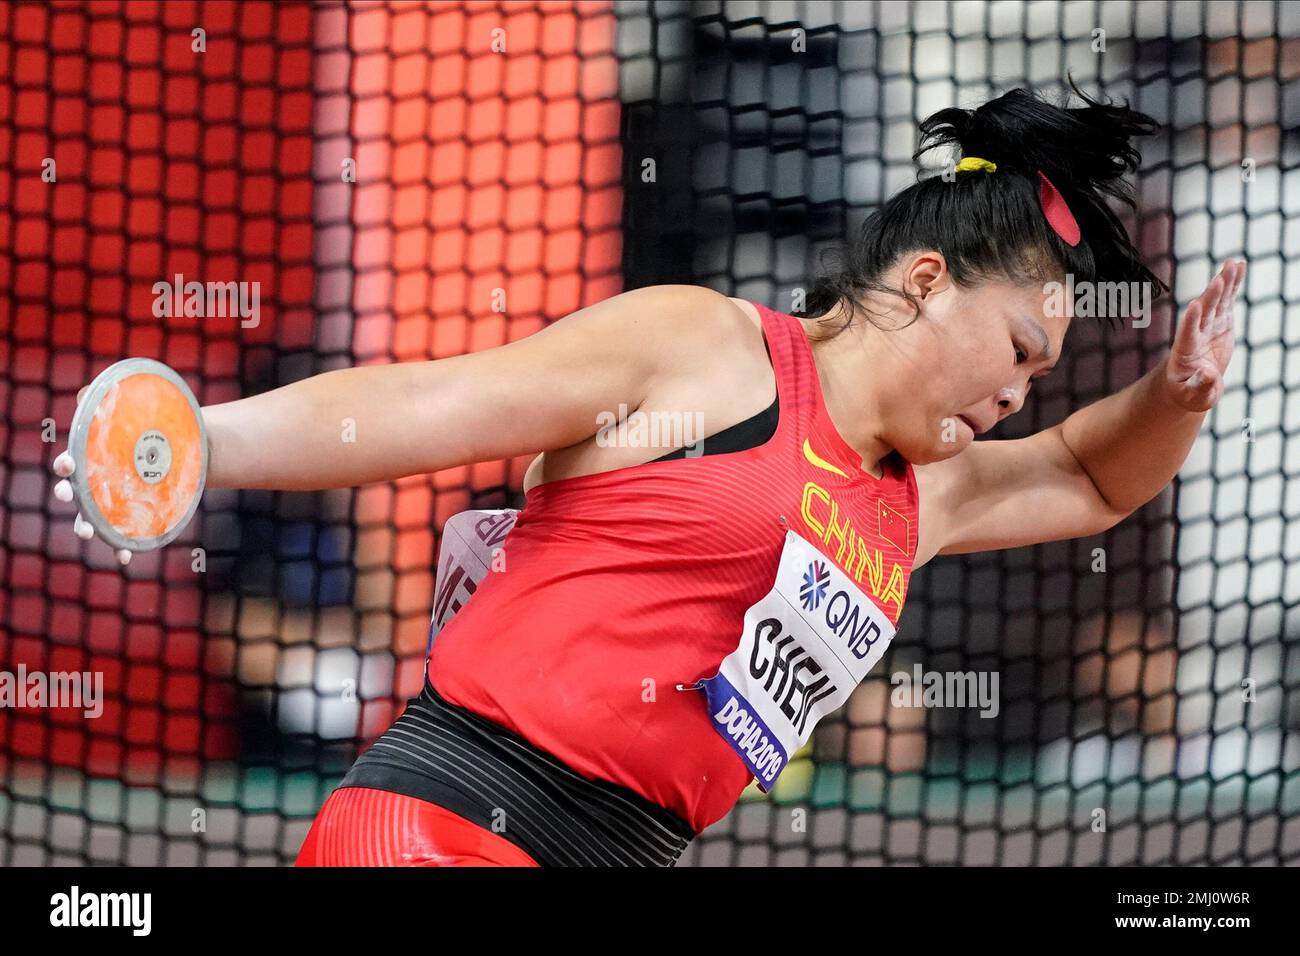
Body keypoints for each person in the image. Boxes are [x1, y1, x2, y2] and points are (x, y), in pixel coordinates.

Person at [51, 84, 1245, 866]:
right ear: (926, 282)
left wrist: (1176, 393)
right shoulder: (708, 350)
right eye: (1022, 350)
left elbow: (1093, 481)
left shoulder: (920, 497)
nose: (1019, 391)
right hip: (444, 824)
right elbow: (425, 404)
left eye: (1044, 372)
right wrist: (202, 442)